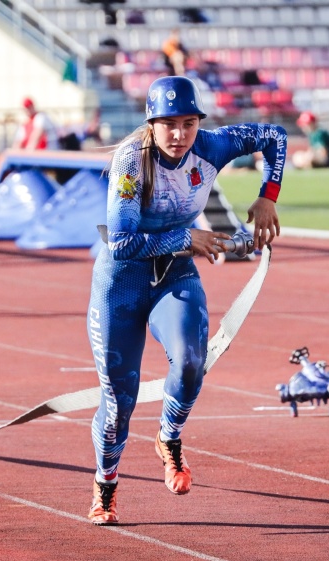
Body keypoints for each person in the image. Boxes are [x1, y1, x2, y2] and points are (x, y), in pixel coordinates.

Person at [86, 76, 286, 525]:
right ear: (151, 124)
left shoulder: (212, 146)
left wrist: (268, 197)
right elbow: (119, 242)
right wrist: (185, 237)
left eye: (189, 124)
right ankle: (106, 483)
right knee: (119, 403)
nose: (179, 135)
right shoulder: (131, 163)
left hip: (173, 276)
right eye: (169, 124)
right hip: (121, 284)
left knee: (193, 360)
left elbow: (274, 135)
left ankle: (168, 438)